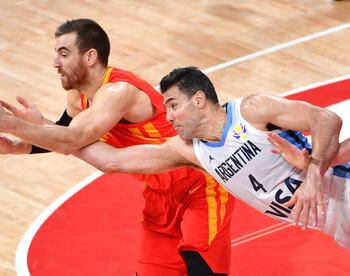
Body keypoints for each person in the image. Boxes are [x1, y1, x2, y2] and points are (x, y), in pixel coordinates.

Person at [0, 21, 234, 275]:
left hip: (200, 187)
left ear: (90, 57)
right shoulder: (77, 96)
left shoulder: (118, 92)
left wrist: (8, 123)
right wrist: (15, 147)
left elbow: (71, 140)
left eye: (64, 53)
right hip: (159, 196)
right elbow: (63, 134)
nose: (55, 62)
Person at [70, 66, 349, 249]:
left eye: (173, 105)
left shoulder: (252, 111)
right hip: (336, 224)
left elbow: (327, 120)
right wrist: (46, 133)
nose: (167, 116)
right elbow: (112, 161)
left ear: (199, 100)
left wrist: (313, 173)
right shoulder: (193, 151)